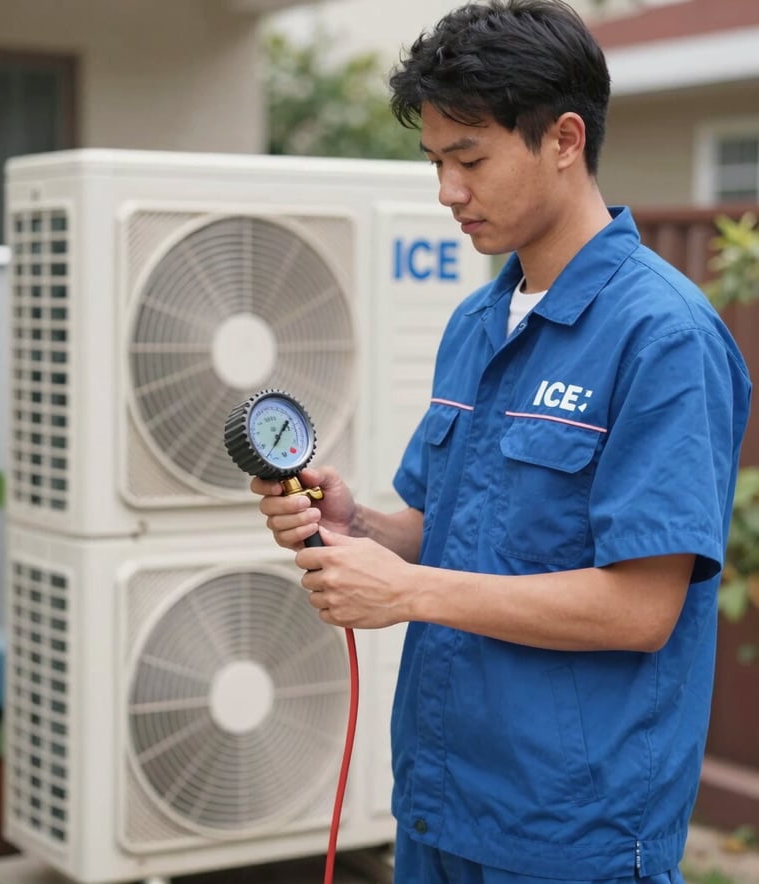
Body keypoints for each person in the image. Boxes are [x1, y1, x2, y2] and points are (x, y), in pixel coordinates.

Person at [251, 1, 752, 882]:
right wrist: (360, 524)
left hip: (573, 833)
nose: (447, 190)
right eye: (436, 161)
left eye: (469, 158)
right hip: (442, 801)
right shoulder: (476, 322)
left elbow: (642, 610)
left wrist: (407, 591)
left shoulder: (664, 336)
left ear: (563, 139)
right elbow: (450, 529)